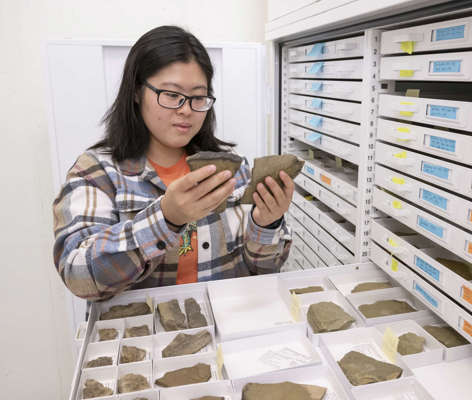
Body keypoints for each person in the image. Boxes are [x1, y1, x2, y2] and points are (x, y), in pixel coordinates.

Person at [52, 26, 293, 301]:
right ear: (136, 92)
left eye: (198, 97)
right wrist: (167, 218)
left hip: (225, 335)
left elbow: (263, 271)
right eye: (171, 94)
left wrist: (266, 224)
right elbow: (79, 277)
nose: (186, 109)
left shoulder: (233, 170)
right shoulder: (96, 171)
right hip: (145, 337)